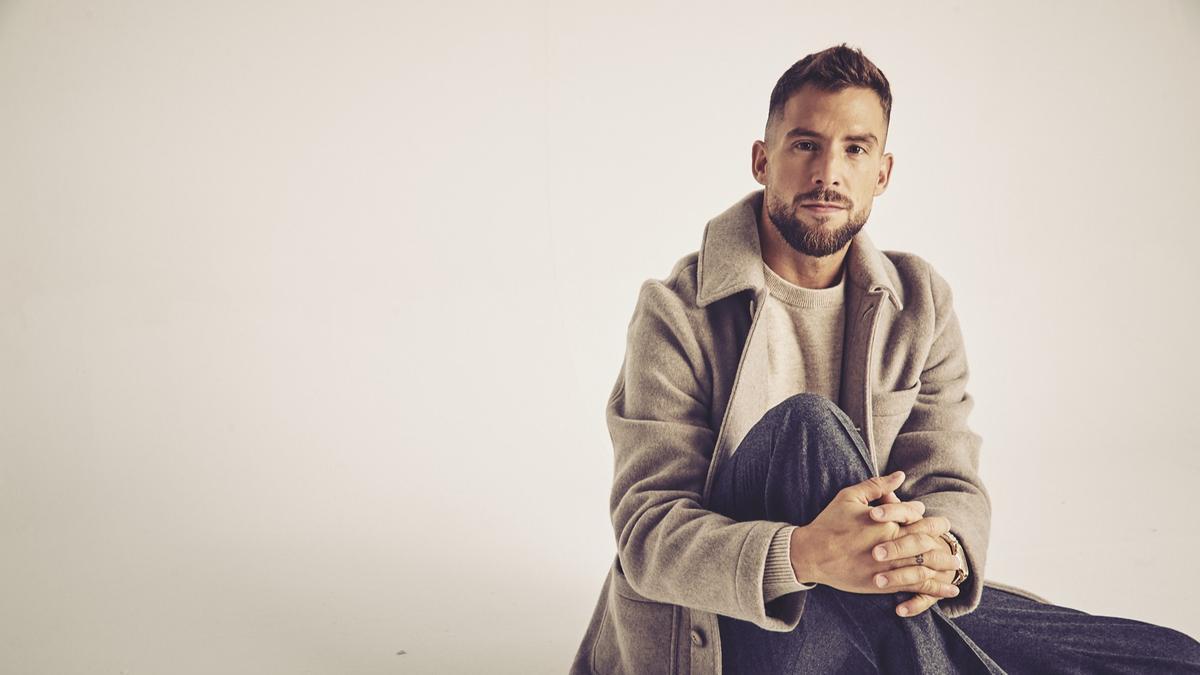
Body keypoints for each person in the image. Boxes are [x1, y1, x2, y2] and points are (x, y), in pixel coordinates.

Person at [570, 44, 1200, 674]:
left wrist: (944, 550)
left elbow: (946, 477)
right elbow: (648, 533)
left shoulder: (919, 301)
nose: (829, 173)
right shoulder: (677, 309)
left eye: (855, 148)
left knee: (1168, 657)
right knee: (808, 428)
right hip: (737, 622)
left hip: (881, 604)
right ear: (763, 160)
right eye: (805, 145)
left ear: (883, 172)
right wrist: (805, 555)